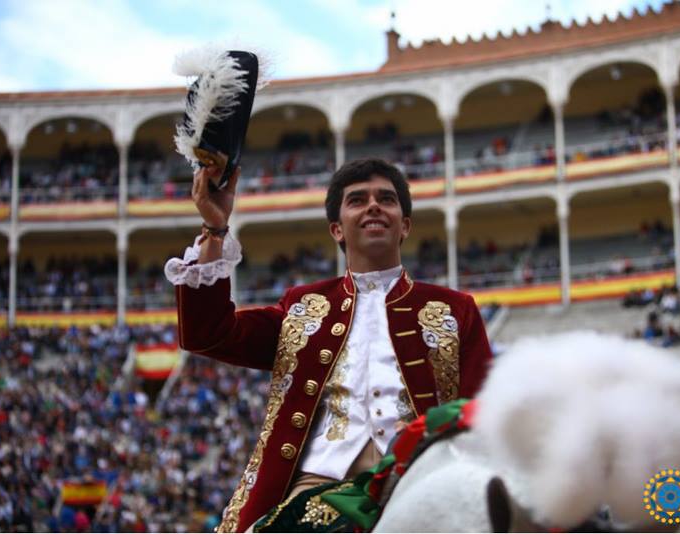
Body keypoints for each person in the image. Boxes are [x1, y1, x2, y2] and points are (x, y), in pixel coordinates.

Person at [164, 158, 492, 532]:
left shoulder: (455, 309)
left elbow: (480, 410)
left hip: (421, 479)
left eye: (386, 199)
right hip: (316, 485)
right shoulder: (303, 307)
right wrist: (215, 226)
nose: (373, 205)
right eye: (357, 200)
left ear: (405, 225)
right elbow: (209, 333)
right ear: (337, 229)